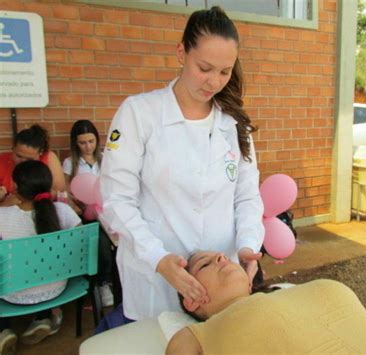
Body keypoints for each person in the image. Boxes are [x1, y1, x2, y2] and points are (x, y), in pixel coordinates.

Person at [100, 6, 264, 322]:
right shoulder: (139, 113)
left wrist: (247, 244)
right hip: (155, 278)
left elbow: (246, 196)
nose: (214, 81)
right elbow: (116, 200)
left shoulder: (233, 125)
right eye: (204, 67)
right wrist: (158, 259)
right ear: (181, 53)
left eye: (225, 71)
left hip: (216, 291)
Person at [166, 251, 366, 355]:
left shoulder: (290, 291)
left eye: (224, 257)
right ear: (192, 300)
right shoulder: (196, 336)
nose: (222, 258)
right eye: (205, 263)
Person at [0, 160, 81, 352]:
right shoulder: (64, 211)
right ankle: (43, 317)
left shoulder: (2, 216)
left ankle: (3, 330)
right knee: (39, 270)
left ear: (17, 188)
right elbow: (80, 241)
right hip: (56, 287)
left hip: (13, 293)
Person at [62, 120, 114, 307]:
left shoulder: (105, 159)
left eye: (91, 141)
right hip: (84, 213)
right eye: (82, 142)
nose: (87, 146)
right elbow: (66, 190)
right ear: (75, 143)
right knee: (99, 244)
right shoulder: (70, 163)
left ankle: (110, 282)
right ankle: (100, 284)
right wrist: (74, 203)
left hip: (106, 210)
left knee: (115, 243)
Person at [0, 124, 66, 206]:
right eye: (19, 156)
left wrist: (23, 201)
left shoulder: (49, 158)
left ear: (41, 153)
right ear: (13, 149)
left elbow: (59, 193)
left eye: (29, 159)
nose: (23, 161)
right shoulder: (2, 160)